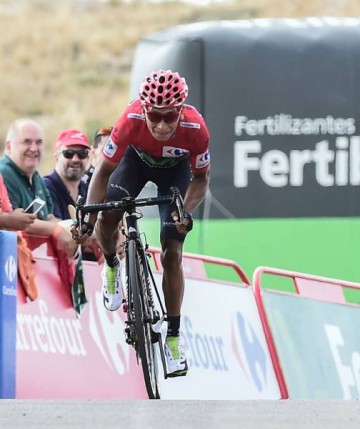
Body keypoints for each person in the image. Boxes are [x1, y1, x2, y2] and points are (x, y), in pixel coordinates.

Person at [73, 70, 210, 377]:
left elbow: (201, 180)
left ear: (180, 110)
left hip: (175, 174)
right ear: (144, 109)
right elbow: (102, 174)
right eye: (155, 117)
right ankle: (111, 265)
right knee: (108, 213)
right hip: (134, 163)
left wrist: (184, 211)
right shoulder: (130, 119)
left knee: (172, 250)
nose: (161, 125)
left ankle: (173, 337)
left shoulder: (196, 128)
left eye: (169, 117)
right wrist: (91, 217)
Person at [0, 118, 78, 256]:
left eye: (39, 142)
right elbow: (16, 222)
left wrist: (73, 229)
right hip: (10, 261)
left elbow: (48, 217)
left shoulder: (36, 176)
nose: (34, 148)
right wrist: (57, 231)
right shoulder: (4, 173)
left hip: (32, 263)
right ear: (9, 146)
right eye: (27, 141)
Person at [44, 129, 91, 220]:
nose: (75, 159)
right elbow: (55, 226)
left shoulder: (88, 190)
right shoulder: (46, 188)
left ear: (88, 158)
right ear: (57, 156)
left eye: (82, 154)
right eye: (69, 153)